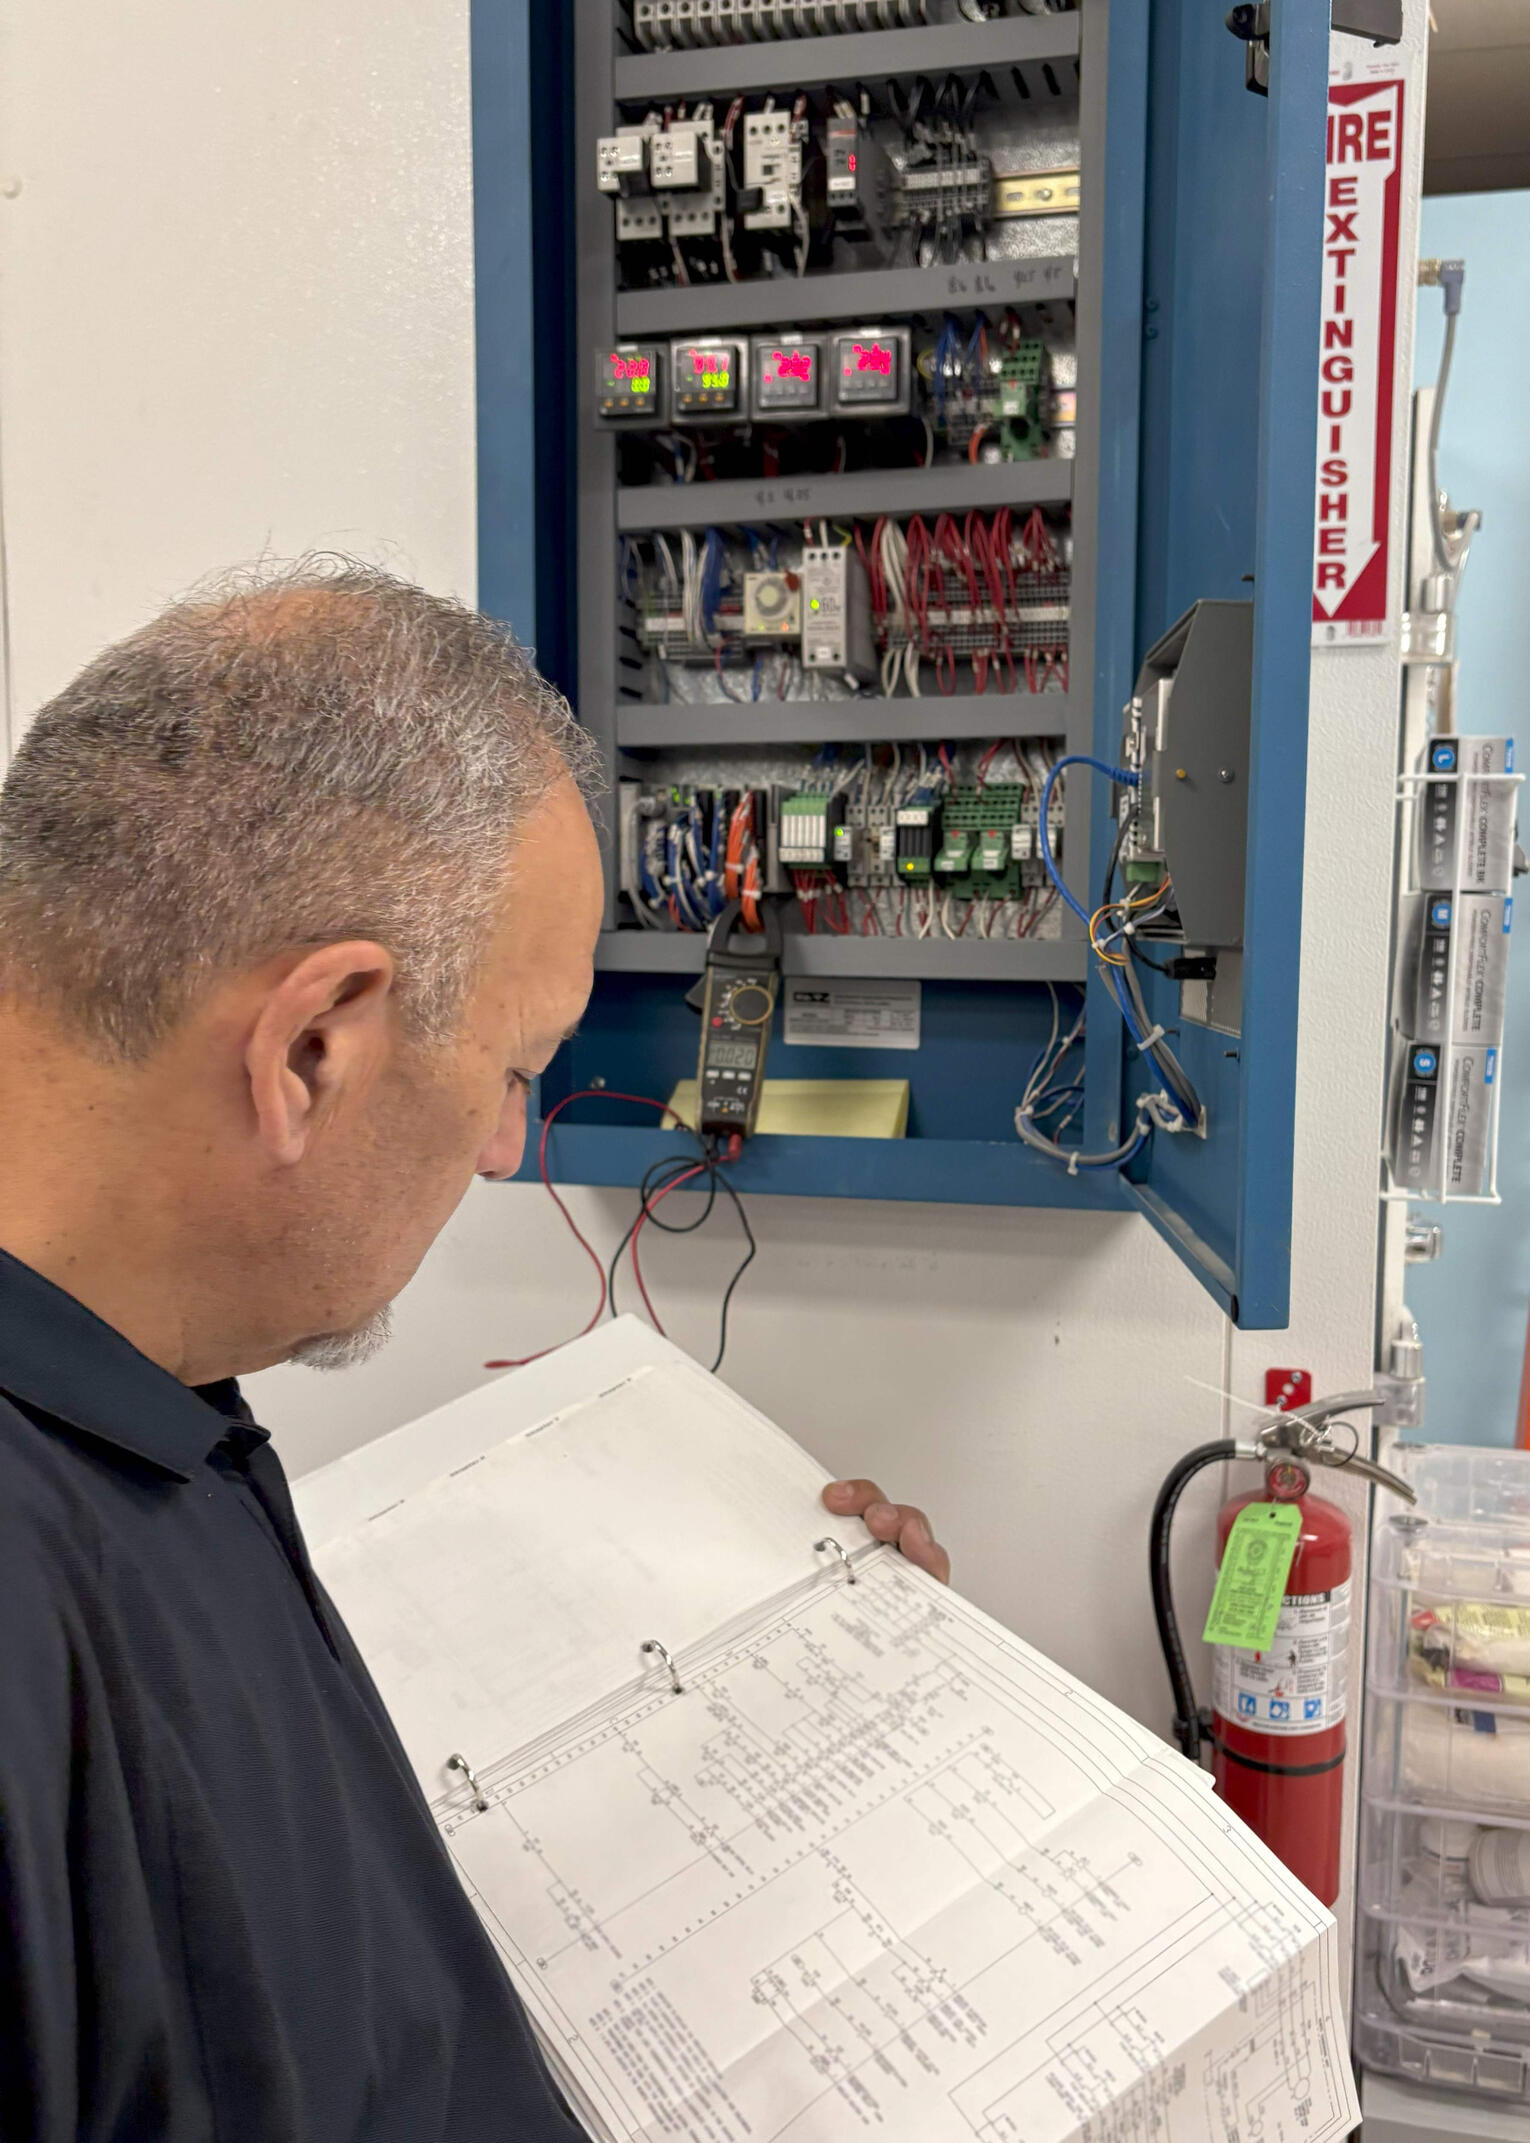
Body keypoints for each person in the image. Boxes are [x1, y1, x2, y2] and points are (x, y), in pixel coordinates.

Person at [0, 562, 950, 2143]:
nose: (509, 1146)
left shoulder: (146, 1383)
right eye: (514, 1066)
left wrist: (781, 1655)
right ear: (317, 1046)